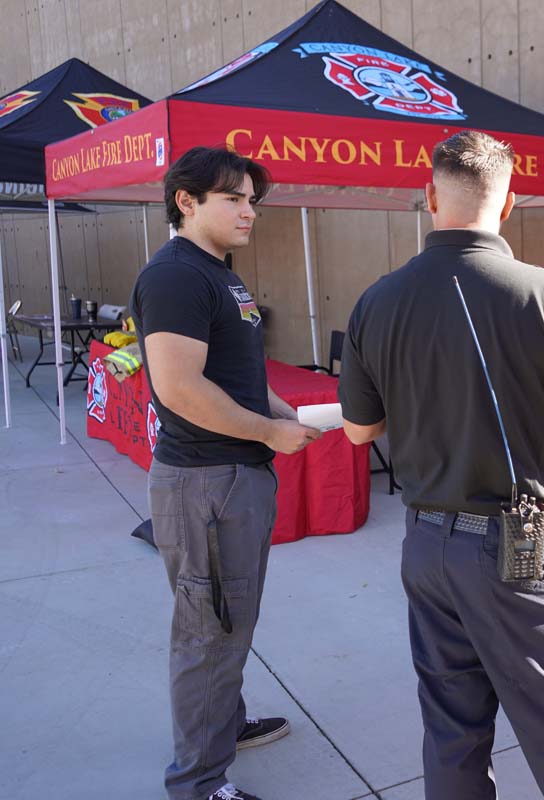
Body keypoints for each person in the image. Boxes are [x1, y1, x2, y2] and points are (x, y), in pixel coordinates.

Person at [337, 130, 544, 800]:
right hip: (520, 551)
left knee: (452, 734)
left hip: (428, 545)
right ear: (508, 205)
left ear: (430, 196)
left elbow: (359, 431)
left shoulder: (377, 300)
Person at [131, 146, 321, 800]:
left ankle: (224, 725)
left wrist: (276, 409)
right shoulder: (177, 275)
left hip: (234, 478)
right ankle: (199, 783)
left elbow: (230, 372)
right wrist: (269, 431)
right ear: (186, 200)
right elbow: (180, 388)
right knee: (209, 632)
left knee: (229, 622)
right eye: (233, 198)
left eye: (252, 200)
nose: (249, 211)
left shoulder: (219, 273)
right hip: (208, 483)